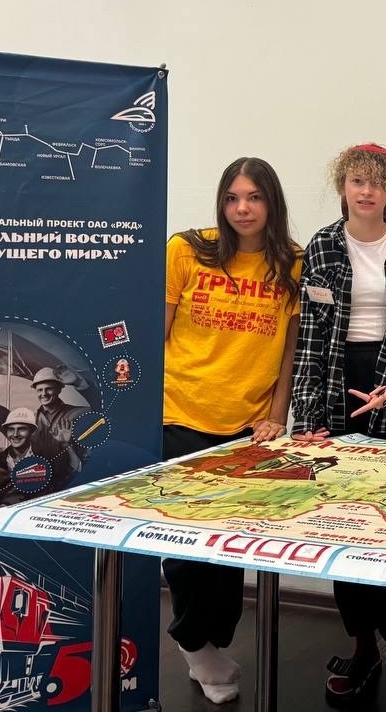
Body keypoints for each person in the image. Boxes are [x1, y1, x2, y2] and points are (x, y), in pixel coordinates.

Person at [289, 142, 386, 708]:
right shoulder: (323, 246)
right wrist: (306, 418)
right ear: (343, 187)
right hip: (333, 389)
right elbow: (309, 342)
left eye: (377, 182)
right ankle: (360, 647)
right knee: (341, 529)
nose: (367, 190)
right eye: (357, 180)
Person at [162, 156, 303, 705]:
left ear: (272, 202)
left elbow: (288, 352)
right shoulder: (186, 250)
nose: (242, 209)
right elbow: (158, 332)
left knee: (228, 550)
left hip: (248, 426)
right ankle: (192, 642)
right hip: (180, 412)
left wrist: (277, 415)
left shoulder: (292, 263)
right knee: (186, 546)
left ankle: (207, 642)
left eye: (254, 197)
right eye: (232, 198)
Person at [0, 407, 72, 505]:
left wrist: (66, 444)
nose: (15, 434)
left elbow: (71, 474)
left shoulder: (47, 457)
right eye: (11, 429)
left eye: (21, 429)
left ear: (32, 431)